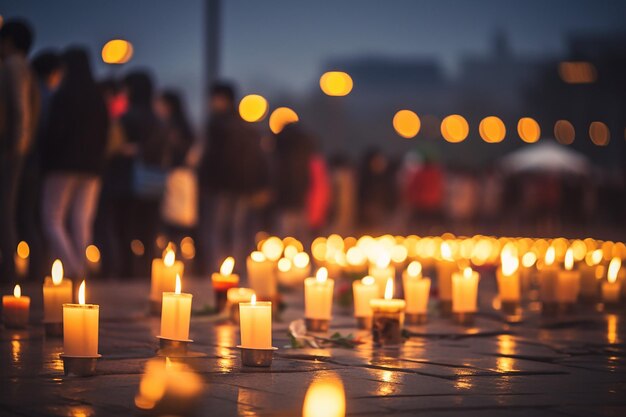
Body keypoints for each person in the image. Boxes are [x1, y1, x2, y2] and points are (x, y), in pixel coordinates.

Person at [39, 47, 109, 278]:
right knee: (82, 219)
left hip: (62, 165)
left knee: (52, 218)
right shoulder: (98, 98)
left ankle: (73, 267)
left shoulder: (64, 95)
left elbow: (53, 133)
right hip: (92, 168)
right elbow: (105, 135)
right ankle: (81, 266)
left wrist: (45, 160)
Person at [198, 82, 268, 272]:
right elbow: (259, 158)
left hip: (221, 185)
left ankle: (217, 270)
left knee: (216, 229)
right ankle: (235, 269)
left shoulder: (217, 124)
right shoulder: (246, 126)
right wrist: (260, 184)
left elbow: (211, 157)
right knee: (236, 229)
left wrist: (203, 180)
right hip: (244, 187)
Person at [18, 50, 63, 280]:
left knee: (28, 217)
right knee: (31, 217)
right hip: (34, 162)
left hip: (29, 162)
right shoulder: (44, 94)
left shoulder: (34, 90)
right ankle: (37, 271)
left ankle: (35, 271)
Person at [0, 19, 39, 281]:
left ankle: (9, 271)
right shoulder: (26, 68)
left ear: (10, 41)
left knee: (5, 209)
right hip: (20, 149)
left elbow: (20, 108)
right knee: (15, 210)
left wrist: (17, 145)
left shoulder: (13, 65)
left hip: (11, 149)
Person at [154, 90, 196, 244]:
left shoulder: (170, 129)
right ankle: (178, 261)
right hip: (184, 178)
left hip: (173, 178)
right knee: (180, 228)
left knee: (171, 224)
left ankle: (172, 258)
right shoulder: (186, 128)